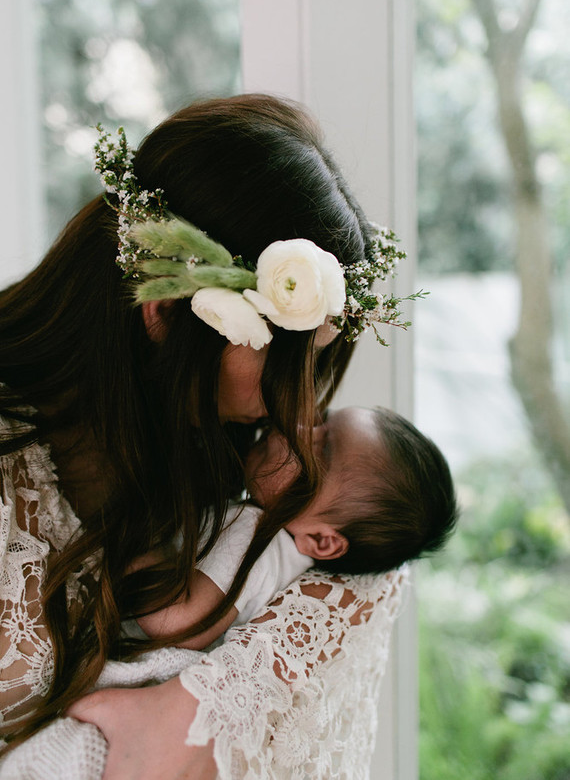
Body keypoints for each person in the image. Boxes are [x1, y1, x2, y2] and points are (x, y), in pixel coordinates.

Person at [0, 94, 413, 779]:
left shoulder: (228, 450)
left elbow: (373, 551)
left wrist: (200, 704)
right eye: (290, 361)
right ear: (166, 313)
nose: (302, 403)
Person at [130, 405, 457, 652]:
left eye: (322, 448)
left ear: (320, 539)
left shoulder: (253, 535)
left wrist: (132, 524)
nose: (298, 426)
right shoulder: (279, 550)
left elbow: (174, 621)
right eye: (320, 421)